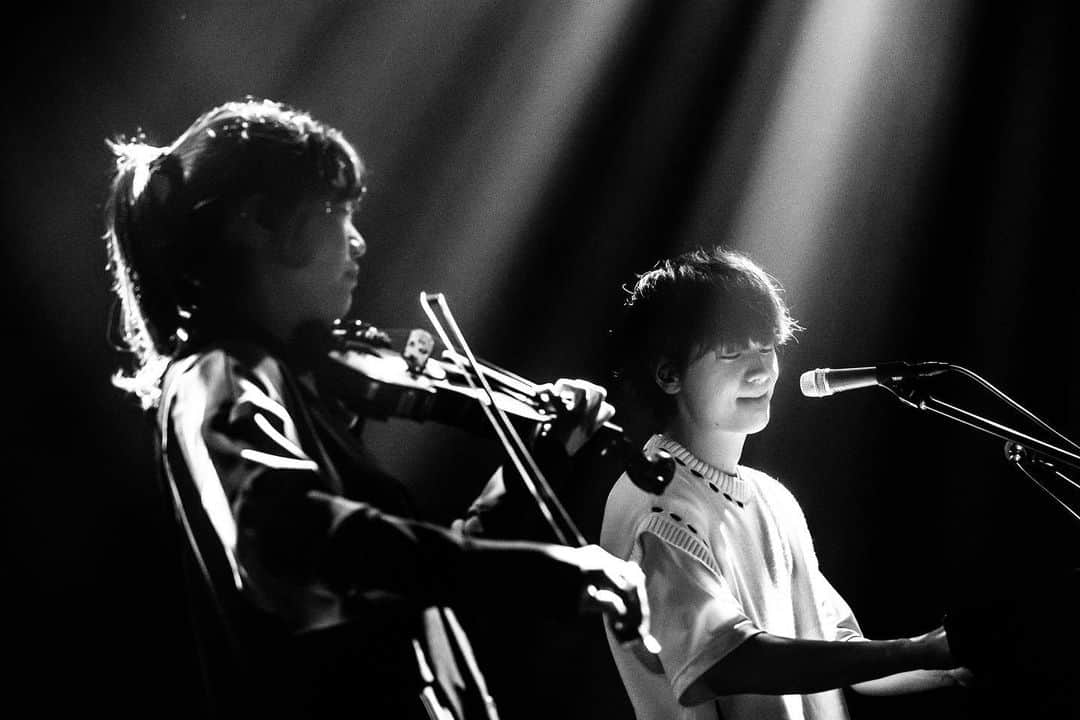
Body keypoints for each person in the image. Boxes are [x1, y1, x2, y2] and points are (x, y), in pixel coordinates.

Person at [102, 97, 651, 720]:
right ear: (254, 222)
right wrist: (540, 572)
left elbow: (422, 573)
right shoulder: (219, 373)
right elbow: (287, 537)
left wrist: (543, 455)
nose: (358, 240)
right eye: (336, 210)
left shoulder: (290, 387)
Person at [599, 247, 971, 720]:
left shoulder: (772, 498)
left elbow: (839, 650)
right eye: (732, 353)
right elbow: (729, 661)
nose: (760, 371)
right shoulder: (655, 501)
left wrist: (954, 662)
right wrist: (922, 650)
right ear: (669, 374)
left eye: (766, 347)